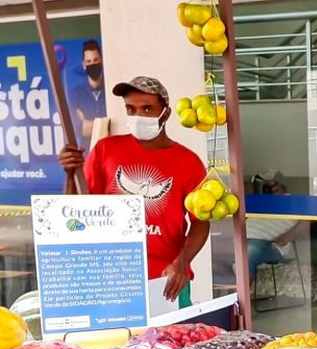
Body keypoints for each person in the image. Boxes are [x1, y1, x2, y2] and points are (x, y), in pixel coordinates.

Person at [58, 76, 209, 307]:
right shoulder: (105, 150)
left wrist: (181, 262)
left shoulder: (188, 162)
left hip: (166, 281)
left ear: (165, 113)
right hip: (111, 281)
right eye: (131, 109)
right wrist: (70, 175)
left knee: (174, 341)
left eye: (147, 109)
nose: (139, 116)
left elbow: (200, 222)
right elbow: (77, 214)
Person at [69, 40, 106, 151]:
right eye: (88, 61)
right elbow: (81, 129)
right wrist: (105, 124)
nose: (92, 64)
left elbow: (117, 126)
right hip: (87, 156)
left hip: (110, 155)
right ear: (84, 65)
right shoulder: (76, 93)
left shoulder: (111, 89)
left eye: (95, 60)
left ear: (102, 61)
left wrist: (90, 124)